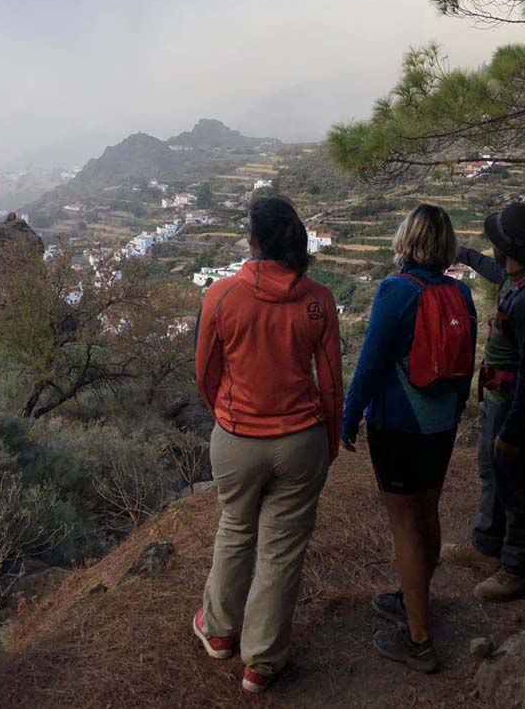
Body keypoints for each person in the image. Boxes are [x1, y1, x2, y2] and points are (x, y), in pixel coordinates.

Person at [192, 196, 344, 695]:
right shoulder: (318, 300)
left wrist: (227, 413)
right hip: (300, 441)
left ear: (254, 242)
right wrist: (330, 436)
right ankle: (261, 662)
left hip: (237, 439)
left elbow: (206, 372)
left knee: (235, 528)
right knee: (281, 549)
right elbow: (331, 384)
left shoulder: (221, 296)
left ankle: (218, 633)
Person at [341, 205, 476, 674]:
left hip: (398, 424)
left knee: (404, 523)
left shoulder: (396, 290)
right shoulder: (461, 292)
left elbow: (371, 362)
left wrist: (350, 415)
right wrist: (454, 417)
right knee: (427, 512)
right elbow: (465, 369)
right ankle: (414, 597)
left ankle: (419, 639)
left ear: (407, 239)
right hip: (440, 425)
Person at [441, 202, 525, 602]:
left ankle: (517, 569)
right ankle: (486, 548)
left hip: (514, 405)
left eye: (494, 242)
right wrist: (464, 255)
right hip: (499, 399)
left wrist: (513, 429)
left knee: (517, 484)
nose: (491, 249)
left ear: (507, 249)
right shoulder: (521, 278)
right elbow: (494, 271)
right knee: (493, 474)